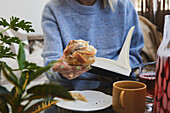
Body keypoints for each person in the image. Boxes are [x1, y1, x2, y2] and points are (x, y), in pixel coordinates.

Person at [41, 0, 144, 91]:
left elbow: (134, 56)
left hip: (118, 88)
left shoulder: (125, 6)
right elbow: (51, 65)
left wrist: (113, 71)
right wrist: (61, 71)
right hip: (70, 91)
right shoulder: (53, 9)